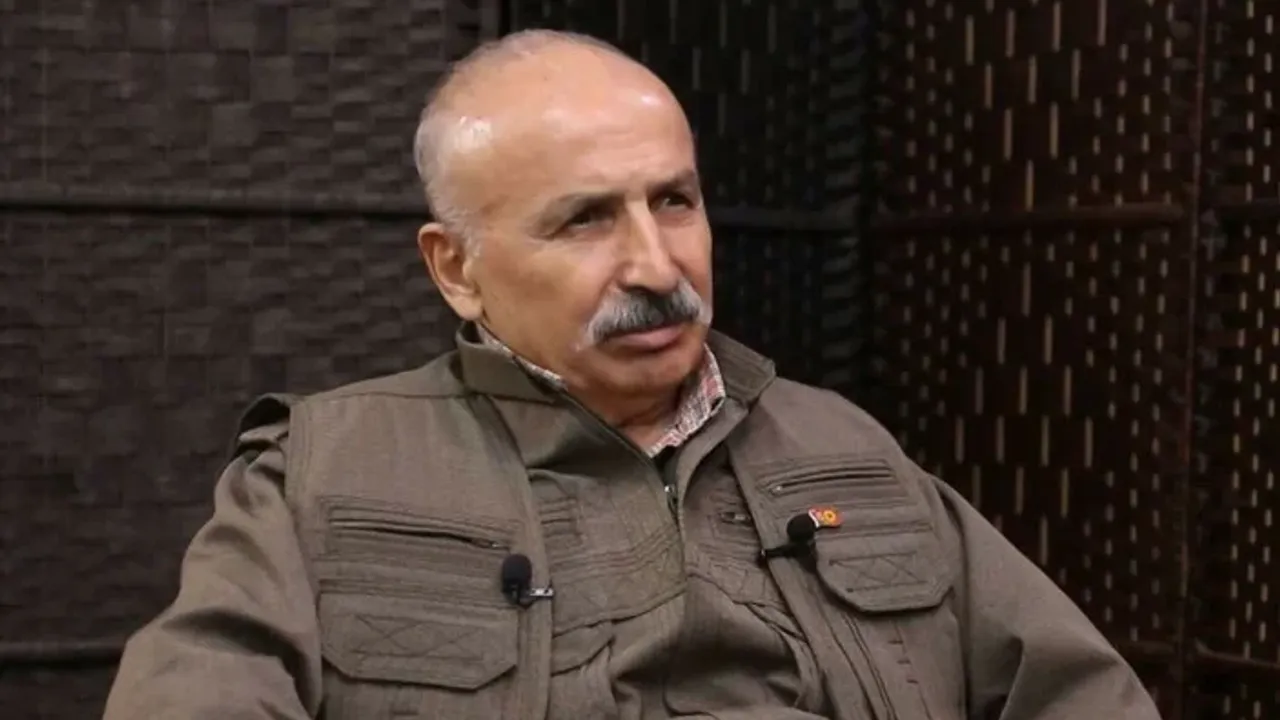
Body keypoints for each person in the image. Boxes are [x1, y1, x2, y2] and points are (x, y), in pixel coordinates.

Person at [102, 29, 1162, 720]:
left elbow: (1081, 698)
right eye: (585, 220)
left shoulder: (844, 451)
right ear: (456, 268)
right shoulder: (321, 474)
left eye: (673, 202)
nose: (656, 267)